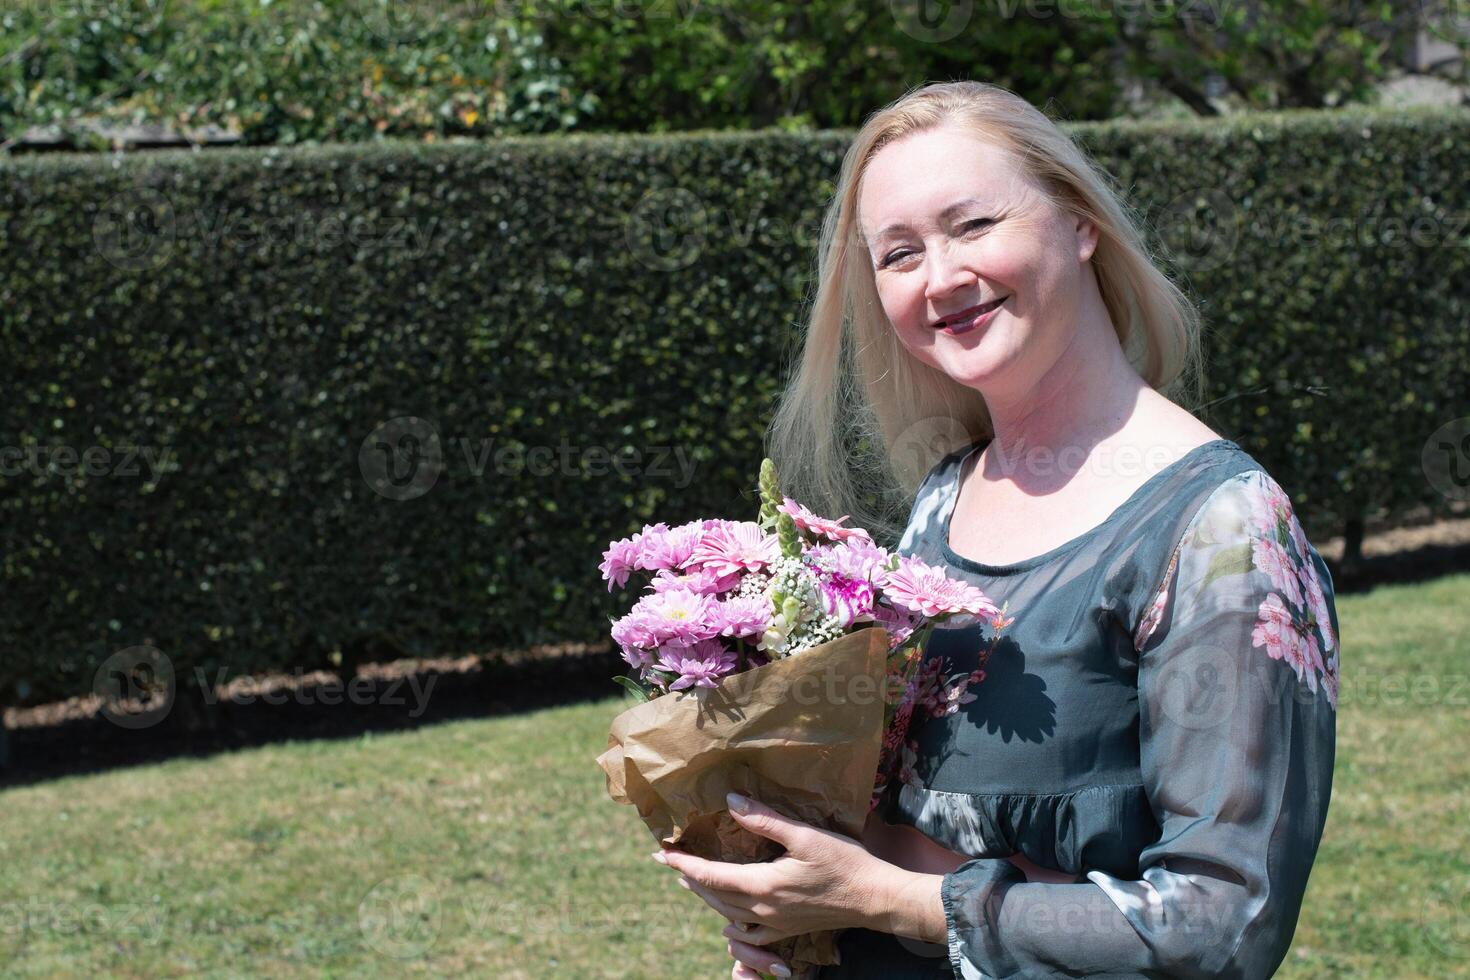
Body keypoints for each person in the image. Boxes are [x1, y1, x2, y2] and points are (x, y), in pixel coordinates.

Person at [649, 80, 1338, 979]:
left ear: (1080, 221)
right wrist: (798, 912)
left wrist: (885, 900)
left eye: (973, 226)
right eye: (898, 254)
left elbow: (1222, 926)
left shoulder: (1223, 532)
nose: (940, 277)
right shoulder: (944, 498)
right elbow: (895, 822)